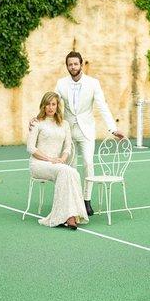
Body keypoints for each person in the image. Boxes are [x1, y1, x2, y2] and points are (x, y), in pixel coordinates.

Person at [54, 51, 125, 216]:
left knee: (88, 163)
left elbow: (102, 106)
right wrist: (38, 119)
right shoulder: (60, 83)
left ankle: (86, 200)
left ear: (81, 64)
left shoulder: (93, 83)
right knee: (70, 167)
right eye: (70, 64)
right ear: (67, 66)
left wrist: (113, 128)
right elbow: (51, 103)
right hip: (68, 132)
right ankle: (73, 201)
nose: (73, 67)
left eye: (75, 64)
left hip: (86, 131)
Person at [27, 91, 89, 229]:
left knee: (73, 172)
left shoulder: (64, 124)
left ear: (57, 106)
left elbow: (67, 147)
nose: (50, 107)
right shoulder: (37, 123)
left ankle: (71, 215)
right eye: (47, 104)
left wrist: (62, 159)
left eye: (53, 104)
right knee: (65, 171)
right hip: (38, 164)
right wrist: (50, 159)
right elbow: (31, 148)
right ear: (43, 106)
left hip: (56, 164)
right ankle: (65, 216)